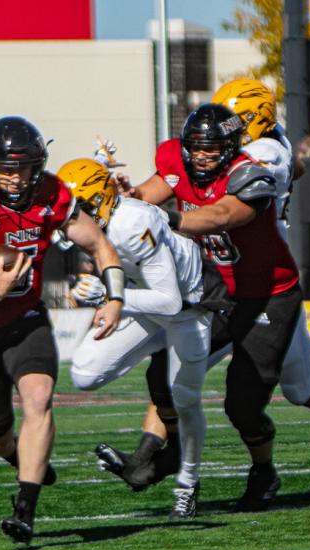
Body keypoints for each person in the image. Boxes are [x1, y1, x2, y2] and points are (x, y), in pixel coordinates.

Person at [102, 82, 310, 499]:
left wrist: (169, 218)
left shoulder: (263, 156)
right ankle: (150, 456)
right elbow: (297, 167)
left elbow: (228, 207)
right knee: (174, 362)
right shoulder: (233, 150)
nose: (218, 135)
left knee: (297, 389)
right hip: (221, 280)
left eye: (234, 123)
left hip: (268, 284)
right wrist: (126, 204)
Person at [0, 116, 125, 544]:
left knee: (39, 398)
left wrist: (115, 297)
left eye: (22, 167)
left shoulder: (53, 196)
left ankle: (26, 509)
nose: (14, 177)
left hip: (26, 321)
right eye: (5, 167)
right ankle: (20, 456)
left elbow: (99, 244)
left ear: (37, 165)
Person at [58, 158, 210, 518]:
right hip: (144, 304)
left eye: (74, 210)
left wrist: (108, 296)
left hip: (190, 308)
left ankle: (188, 483)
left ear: (97, 203)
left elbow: (170, 300)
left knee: (184, 399)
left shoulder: (132, 223)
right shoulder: (101, 221)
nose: (68, 221)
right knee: (84, 372)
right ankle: (156, 348)